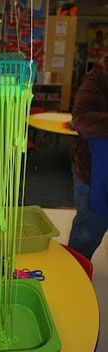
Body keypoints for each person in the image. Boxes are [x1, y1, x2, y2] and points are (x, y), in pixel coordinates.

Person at [68, 54, 108, 260]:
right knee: (88, 231)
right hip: (94, 174)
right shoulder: (99, 76)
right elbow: (82, 119)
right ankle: (75, 274)